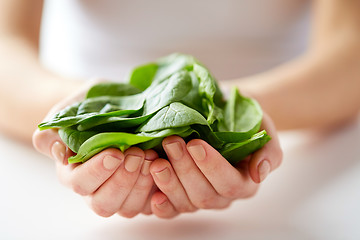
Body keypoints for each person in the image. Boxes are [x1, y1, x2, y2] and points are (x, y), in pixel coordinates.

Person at [1, 0, 359, 218]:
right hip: (81, 108)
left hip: (304, 129)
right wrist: (74, 113)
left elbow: (350, 51)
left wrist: (238, 109)